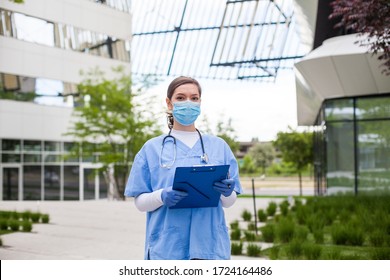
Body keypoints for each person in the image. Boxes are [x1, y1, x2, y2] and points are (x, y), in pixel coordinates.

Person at [124, 76, 242, 260]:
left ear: (200, 102)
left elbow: (228, 202)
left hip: (209, 247)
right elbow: (140, 202)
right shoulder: (152, 149)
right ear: (169, 103)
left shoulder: (219, 147)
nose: (188, 103)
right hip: (168, 248)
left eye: (194, 98)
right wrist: (161, 196)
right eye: (180, 98)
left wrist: (228, 192)